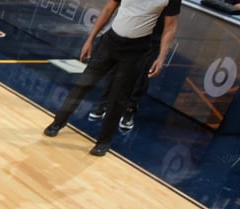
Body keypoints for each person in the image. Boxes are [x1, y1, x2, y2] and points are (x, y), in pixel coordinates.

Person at [41, 0, 180, 156]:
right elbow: (108, 9)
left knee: (118, 98)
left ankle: (103, 142)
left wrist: (161, 57)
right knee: (82, 84)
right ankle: (58, 122)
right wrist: (90, 39)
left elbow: (170, 26)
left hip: (136, 50)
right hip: (110, 42)